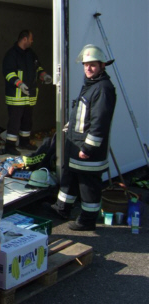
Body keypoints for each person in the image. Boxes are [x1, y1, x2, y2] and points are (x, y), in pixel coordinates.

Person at [47, 44, 116, 231]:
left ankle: (87, 221)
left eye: (92, 65)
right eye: (85, 65)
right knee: (69, 180)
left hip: (87, 150)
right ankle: (62, 208)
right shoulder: (91, 85)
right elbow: (82, 114)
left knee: (88, 187)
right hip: (75, 146)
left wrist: (88, 148)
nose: (88, 68)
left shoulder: (103, 88)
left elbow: (99, 122)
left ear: (102, 65)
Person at [2, 30, 52, 155]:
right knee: (14, 121)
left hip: (29, 95)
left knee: (27, 121)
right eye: (31, 39)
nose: (32, 41)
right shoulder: (11, 54)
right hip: (16, 96)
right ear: (24, 39)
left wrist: (44, 75)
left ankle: (24, 142)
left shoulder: (31, 54)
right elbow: (8, 73)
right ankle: (10, 146)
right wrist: (19, 84)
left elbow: (37, 67)